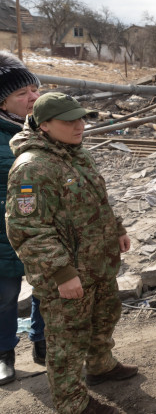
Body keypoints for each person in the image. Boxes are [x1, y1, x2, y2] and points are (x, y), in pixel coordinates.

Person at [6, 92, 138, 414]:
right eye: (70, 121)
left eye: (82, 118)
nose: (80, 125)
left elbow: (96, 197)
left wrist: (117, 228)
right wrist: (63, 274)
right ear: (45, 125)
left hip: (97, 265)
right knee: (67, 342)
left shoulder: (75, 152)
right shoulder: (32, 167)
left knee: (104, 318)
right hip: (68, 274)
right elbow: (28, 230)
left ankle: (100, 366)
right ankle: (72, 403)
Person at [0, 52, 46, 386]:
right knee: (4, 296)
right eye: (21, 93)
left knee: (49, 288)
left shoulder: (43, 129)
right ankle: (4, 354)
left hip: (44, 230)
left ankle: (44, 344)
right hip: (4, 236)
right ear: (2, 103)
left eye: (34, 89)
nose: (32, 97)